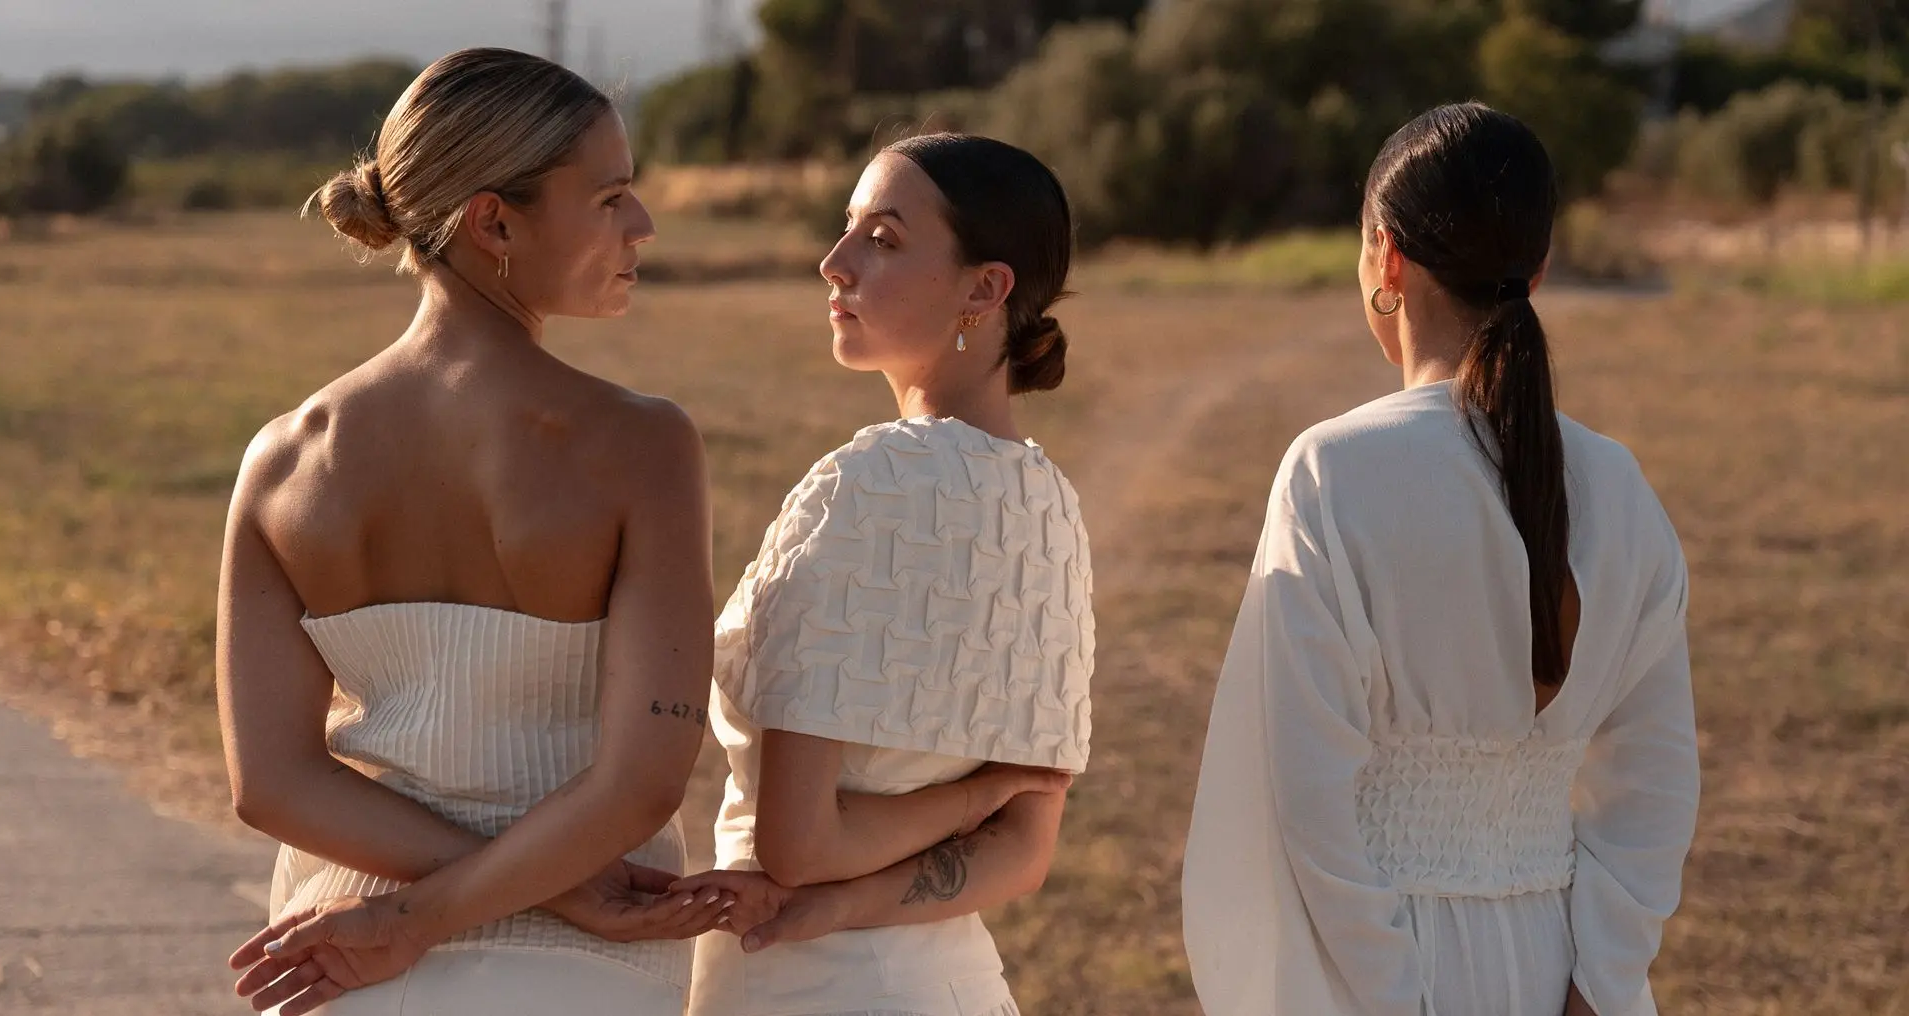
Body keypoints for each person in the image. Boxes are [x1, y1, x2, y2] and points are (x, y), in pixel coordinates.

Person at [216, 48, 771, 1016]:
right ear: (495, 222)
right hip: (578, 970)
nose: (643, 223)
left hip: (336, 956)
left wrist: (409, 914)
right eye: (611, 198)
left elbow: (273, 783)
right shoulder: (641, 445)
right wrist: (515, 899)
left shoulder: (282, 460)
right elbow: (639, 787)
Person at [1181, 103, 1700, 1016]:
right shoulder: (1619, 485)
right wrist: (1602, 979)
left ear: (1385, 257)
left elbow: (1302, 796)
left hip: (1379, 965)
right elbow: (1656, 781)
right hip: (1563, 963)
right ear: (1538, 267)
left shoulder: (1334, 471)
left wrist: (1390, 995)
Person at [678, 133, 1093, 1016]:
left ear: (984, 289)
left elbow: (798, 846)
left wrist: (971, 799)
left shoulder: (867, 484)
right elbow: (1024, 852)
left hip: (804, 985)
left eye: (883, 239)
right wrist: (859, 892)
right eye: (847, 229)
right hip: (951, 982)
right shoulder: (1051, 506)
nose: (834, 263)